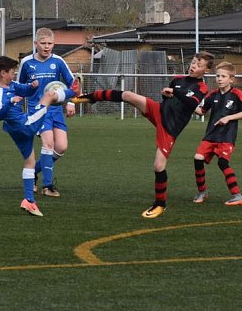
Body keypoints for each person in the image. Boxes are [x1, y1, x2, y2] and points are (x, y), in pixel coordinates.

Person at [75, 51, 214, 218]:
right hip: (159, 111)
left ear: (206, 71)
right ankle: (89, 97)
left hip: (170, 127)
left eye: (199, 65)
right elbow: (169, 100)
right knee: (128, 95)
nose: (193, 66)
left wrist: (174, 93)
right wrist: (166, 95)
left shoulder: (202, 87)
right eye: (193, 62)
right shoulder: (178, 79)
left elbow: (191, 103)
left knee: (158, 166)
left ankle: (160, 205)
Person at [0, 55, 62, 218]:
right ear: (3, 73)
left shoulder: (12, 85)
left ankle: (29, 201)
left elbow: (26, 90)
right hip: (24, 125)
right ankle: (75, 94)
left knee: (30, 162)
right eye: (12, 73)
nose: (14, 76)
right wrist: (11, 101)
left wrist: (32, 87)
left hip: (17, 129)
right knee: (49, 96)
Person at [18, 28, 78, 197]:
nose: (46, 47)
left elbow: (74, 84)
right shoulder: (27, 63)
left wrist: (71, 102)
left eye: (50, 43)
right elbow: (19, 88)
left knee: (61, 147)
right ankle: (48, 186)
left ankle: (33, 172)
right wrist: (18, 107)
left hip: (56, 110)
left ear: (54, 44)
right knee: (48, 144)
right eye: (43, 43)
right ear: (36, 44)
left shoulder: (58, 61)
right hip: (37, 110)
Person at [192, 62, 242, 207]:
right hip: (211, 135)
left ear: (231, 79)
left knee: (222, 162)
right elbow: (201, 111)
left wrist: (228, 118)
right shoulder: (213, 94)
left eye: (223, 76)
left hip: (226, 136)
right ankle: (202, 192)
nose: (219, 79)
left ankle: (237, 195)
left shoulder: (237, 94)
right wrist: (187, 103)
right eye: (217, 76)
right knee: (198, 158)